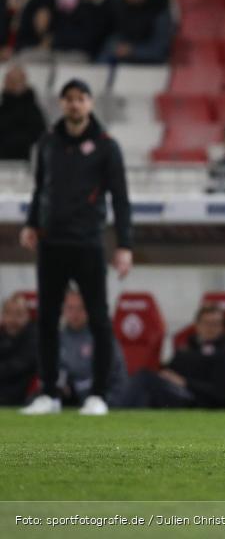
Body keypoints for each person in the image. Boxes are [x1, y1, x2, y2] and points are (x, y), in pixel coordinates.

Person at [19, 78, 132, 417]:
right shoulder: (49, 142)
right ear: (61, 103)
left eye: (80, 98)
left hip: (87, 243)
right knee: (47, 320)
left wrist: (124, 244)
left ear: (90, 103)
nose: (74, 105)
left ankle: (98, 394)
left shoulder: (106, 147)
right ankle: (49, 393)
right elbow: (41, 190)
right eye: (68, 99)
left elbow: (121, 199)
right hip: (52, 243)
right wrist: (31, 223)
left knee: (98, 319)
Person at [121, 305, 225, 409]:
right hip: (175, 391)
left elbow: (222, 393)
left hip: (196, 399)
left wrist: (185, 382)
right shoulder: (188, 346)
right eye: (206, 323)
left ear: (223, 328)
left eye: (215, 324)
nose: (210, 328)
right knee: (143, 378)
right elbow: (171, 369)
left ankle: (117, 410)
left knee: (145, 380)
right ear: (197, 325)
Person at [55, 288, 129, 407]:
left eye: (80, 308)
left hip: (107, 397)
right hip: (74, 398)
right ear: (63, 310)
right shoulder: (60, 338)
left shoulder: (101, 336)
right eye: (70, 308)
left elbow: (112, 375)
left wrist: (76, 386)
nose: (75, 314)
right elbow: (59, 371)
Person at [98, 0, 172, 64]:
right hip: (126, 59)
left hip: (150, 64)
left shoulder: (160, 9)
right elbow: (116, 34)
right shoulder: (122, 4)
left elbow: (159, 50)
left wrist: (133, 50)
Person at [0, 64, 47, 160]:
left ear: (24, 82)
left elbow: (40, 137)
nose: (12, 84)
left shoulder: (33, 111)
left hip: (26, 163)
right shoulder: (3, 109)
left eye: (16, 80)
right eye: (9, 80)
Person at [0, 294, 38, 406]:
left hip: (22, 392)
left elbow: (21, 364)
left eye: (19, 314)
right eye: (8, 313)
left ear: (27, 315)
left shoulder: (34, 335)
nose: (13, 319)